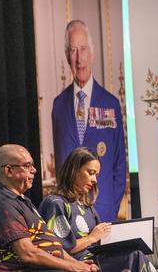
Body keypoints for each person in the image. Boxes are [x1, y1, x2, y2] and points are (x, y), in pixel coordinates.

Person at [52, 19, 126, 222]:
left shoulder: (110, 103)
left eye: (83, 49)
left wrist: (112, 204)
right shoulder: (58, 105)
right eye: (73, 50)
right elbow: (60, 164)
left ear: (92, 53)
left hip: (104, 209)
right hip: (70, 212)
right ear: (67, 56)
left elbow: (119, 164)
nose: (79, 58)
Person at [0, 144, 98, 271]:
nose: (34, 170)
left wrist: (79, 265)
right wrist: (73, 267)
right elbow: (28, 254)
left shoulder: (22, 201)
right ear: (9, 170)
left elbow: (56, 248)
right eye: (27, 166)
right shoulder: (2, 205)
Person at [39, 147, 153, 271]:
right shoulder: (56, 203)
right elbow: (59, 249)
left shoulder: (86, 206)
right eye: (90, 173)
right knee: (134, 257)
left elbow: (100, 240)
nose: (94, 180)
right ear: (74, 170)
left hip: (96, 259)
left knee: (134, 252)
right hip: (75, 265)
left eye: (96, 175)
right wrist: (91, 238)